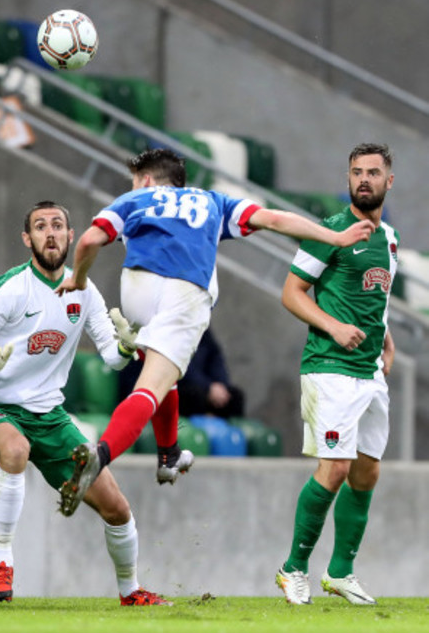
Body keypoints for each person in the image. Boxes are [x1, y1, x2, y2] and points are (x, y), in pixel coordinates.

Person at [55, 148, 376, 518]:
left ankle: (168, 454)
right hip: (185, 292)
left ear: (146, 179)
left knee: (163, 374)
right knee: (152, 385)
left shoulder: (133, 198)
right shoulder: (213, 202)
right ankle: (100, 456)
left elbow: (88, 242)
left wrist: (78, 279)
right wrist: (333, 238)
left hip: (136, 290)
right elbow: (274, 218)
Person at [0, 200, 170, 606]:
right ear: (27, 238)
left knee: (118, 509)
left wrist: (126, 345)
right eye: (40, 226)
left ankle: (130, 592)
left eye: (57, 226)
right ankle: (2, 566)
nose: (49, 233)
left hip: (50, 417)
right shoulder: (11, 288)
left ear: (71, 237)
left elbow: (110, 357)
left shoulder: (84, 291)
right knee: (15, 449)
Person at [275, 143, 398, 606]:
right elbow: (291, 292)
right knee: (335, 468)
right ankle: (292, 569)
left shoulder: (389, 239)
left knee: (366, 472)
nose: (363, 179)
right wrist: (332, 325)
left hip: (369, 372)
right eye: (356, 172)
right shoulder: (329, 231)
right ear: (347, 179)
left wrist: (384, 338)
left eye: (372, 172)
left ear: (389, 181)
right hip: (329, 367)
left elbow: (373, 299)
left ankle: (341, 572)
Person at [177, 328, 245, 419]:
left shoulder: (203, 329)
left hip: (208, 386)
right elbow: (180, 365)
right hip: (183, 385)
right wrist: (208, 387)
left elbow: (215, 357)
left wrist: (221, 385)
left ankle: (234, 432)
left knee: (234, 396)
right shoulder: (174, 329)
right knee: (194, 395)